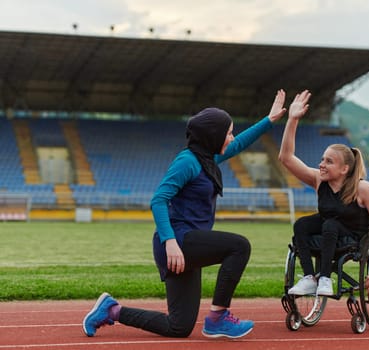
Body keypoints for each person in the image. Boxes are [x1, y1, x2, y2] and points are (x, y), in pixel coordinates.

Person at [82, 90, 287, 339]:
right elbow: (158, 200)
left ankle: (112, 311)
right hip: (177, 242)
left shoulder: (207, 158)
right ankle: (217, 317)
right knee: (239, 247)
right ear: (213, 135)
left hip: (188, 244)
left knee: (178, 327)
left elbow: (240, 143)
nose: (232, 137)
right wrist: (170, 242)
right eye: (228, 132)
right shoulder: (188, 161)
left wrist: (270, 119)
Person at [278, 90, 369, 296]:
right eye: (322, 159)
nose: (321, 165)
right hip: (329, 234)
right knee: (302, 224)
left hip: (352, 239)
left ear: (344, 169)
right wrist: (292, 119)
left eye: (328, 161)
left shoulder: (362, 188)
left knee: (329, 223)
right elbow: (286, 158)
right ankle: (310, 278)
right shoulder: (319, 180)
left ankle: (325, 279)